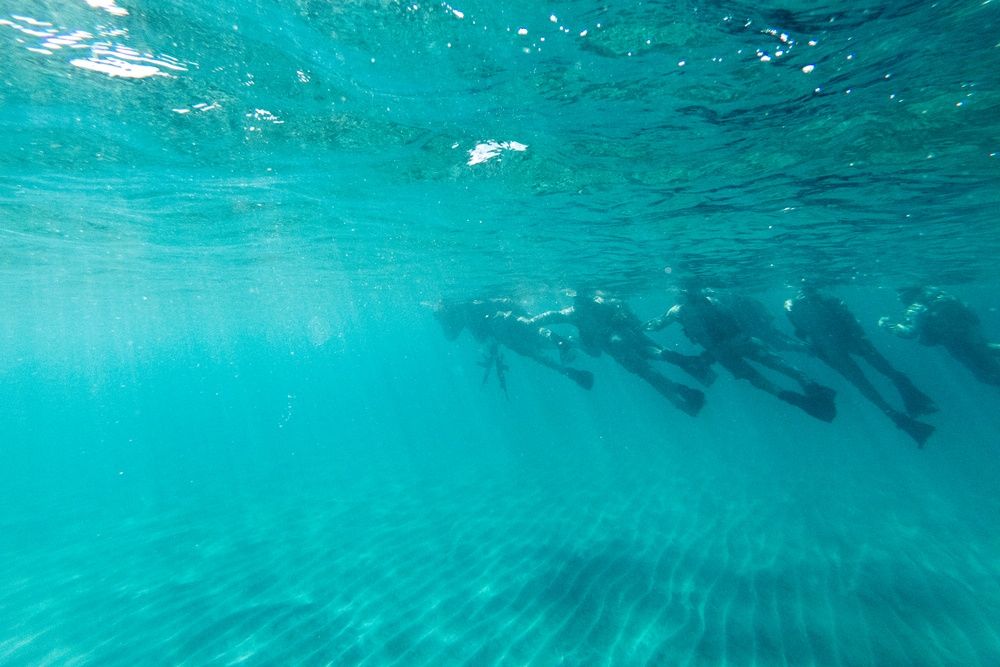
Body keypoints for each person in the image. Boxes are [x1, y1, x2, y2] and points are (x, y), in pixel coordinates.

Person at [645, 289, 836, 422]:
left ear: (681, 294)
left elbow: (657, 326)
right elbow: (734, 319)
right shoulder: (713, 300)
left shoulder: (677, 310)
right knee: (777, 363)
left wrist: (641, 326)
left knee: (752, 376)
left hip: (719, 351)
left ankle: (788, 396)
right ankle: (810, 385)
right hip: (742, 341)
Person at [785, 286, 937, 447]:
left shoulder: (790, 305)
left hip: (830, 349)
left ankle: (897, 415)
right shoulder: (825, 297)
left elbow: (802, 334)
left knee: (862, 384)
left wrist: (821, 350)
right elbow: (850, 320)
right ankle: (914, 400)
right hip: (850, 339)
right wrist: (863, 341)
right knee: (882, 369)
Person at [524, 291, 711, 416]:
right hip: (629, 335)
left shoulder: (574, 313)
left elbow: (551, 315)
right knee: (656, 353)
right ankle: (690, 367)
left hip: (615, 346)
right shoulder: (604, 302)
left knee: (647, 373)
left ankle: (684, 396)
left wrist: (531, 322)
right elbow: (625, 309)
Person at [433, 298, 594, 391]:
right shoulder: (463, 311)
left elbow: (477, 337)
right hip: (506, 328)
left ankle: (570, 357)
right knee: (536, 346)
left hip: (505, 326)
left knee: (535, 348)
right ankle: (576, 347)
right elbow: (454, 336)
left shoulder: (464, 310)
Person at [880, 287, 1000, 386]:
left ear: (908, 293)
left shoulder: (916, 308)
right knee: (987, 356)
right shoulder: (941, 296)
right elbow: (969, 311)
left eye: (900, 294)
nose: (898, 298)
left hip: (954, 342)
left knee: (983, 373)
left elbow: (909, 333)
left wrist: (888, 326)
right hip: (970, 332)